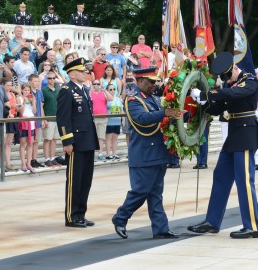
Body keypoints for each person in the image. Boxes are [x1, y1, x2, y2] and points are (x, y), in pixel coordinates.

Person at [187, 52, 258, 239]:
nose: (227, 80)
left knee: (244, 181)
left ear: (235, 68)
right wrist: (203, 102)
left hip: (246, 134)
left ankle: (253, 225)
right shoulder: (231, 85)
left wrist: (208, 93)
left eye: (229, 76)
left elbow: (237, 93)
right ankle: (212, 222)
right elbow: (218, 108)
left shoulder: (249, 79)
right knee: (220, 176)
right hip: (234, 135)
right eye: (225, 78)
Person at [111, 67, 183, 240]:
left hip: (157, 152)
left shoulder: (154, 99)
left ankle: (160, 228)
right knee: (141, 191)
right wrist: (164, 113)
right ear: (140, 81)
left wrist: (183, 114)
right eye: (150, 82)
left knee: (156, 193)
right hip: (143, 154)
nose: (154, 85)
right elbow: (142, 119)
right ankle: (120, 217)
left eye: (155, 81)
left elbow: (164, 116)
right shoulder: (133, 100)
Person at [56, 57, 99, 228]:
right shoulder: (67, 90)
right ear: (72, 74)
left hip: (87, 140)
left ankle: (81, 214)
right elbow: (63, 118)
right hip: (76, 142)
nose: (85, 73)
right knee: (74, 180)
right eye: (82, 71)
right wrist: (67, 141)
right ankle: (72, 216)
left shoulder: (84, 89)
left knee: (85, 180)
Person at [90, 78, 114, 161]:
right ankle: (91, 154)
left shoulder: (103, 93)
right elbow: (85, 100)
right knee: (91, 137)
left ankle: (100, 153)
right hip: (92, 118)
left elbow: (111, 98)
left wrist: (104, 90)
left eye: (98, 84)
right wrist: (91, 90)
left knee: (101, 137)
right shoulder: (89, 93)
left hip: (103, 117)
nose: (96, 85)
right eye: (94, 84)